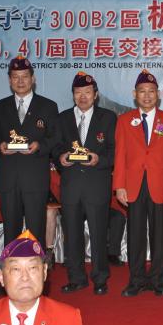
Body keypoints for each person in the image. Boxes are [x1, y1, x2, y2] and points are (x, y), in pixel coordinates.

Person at [0, 56, 59, 295]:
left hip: (35, 178)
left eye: (25, 77)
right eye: (15, 77)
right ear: (10, 80)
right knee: (11, 231)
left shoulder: (48, 106)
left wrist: (40, 146)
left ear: (33, 79)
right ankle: (9, 282)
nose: (20, 81)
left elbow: (55, 138)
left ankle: (39, 281)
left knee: (36, 230)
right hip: (8, 178)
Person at [114, 70, 163, 297]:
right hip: (133, 186)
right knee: (135, 236)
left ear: (158, 94)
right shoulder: (124, 121)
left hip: (161, 185)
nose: (147, 96)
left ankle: (158, 280)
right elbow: (120, 156)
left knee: (160, 236)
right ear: (135, 94)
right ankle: (136, 280)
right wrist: (119, 186)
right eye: (142, 91)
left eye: (151, 91)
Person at [55, 72, 117, 296]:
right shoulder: (62, 118)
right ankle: (76, 278)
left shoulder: (108, 118)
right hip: (71, 186)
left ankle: (100, 278)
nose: (83, 96)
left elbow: (115, 151)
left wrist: (99, 159)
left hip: (97, 185)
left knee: (99, 234)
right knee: (72, 235)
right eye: (78, 92)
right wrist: (60, 157)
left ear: (95, 95)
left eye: (87, 92)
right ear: (73, 95)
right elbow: (55, 147)